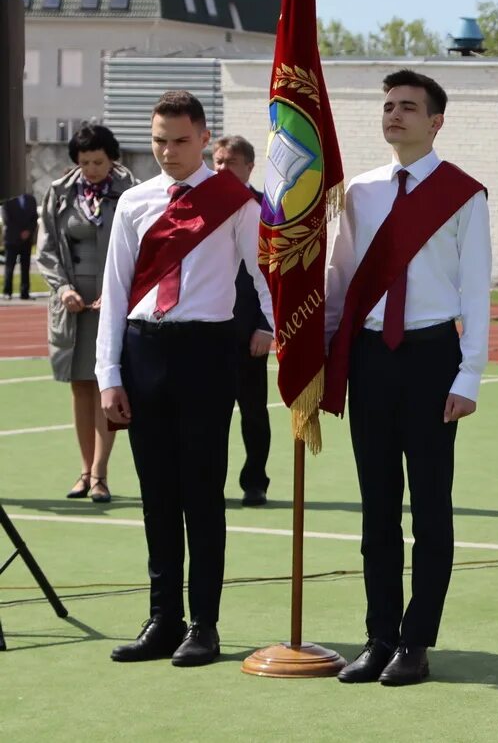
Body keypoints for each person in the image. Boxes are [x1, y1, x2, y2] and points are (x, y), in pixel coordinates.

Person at [323, 70, 490, 686]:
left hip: (429, 360)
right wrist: (324, 351)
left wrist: (469, 373)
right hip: (369, 357)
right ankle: (379, 636)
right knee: (376, 509)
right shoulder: (360, 192)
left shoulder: (463, 194)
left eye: (409, 107)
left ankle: (417, 643)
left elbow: (475, 289)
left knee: (430, 509)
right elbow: (341, 278)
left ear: (436, 121)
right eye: (388, 106)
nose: (394, 115)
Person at [97, 91, 274, 667]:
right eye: (158, 140)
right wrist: (109, 374)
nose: (168, 151)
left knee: (202, 494)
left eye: (179, 140)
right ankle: (162, 620)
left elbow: (263, 270)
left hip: (205, 352)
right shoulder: (135, 203)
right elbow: (117, 292)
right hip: (144, 350)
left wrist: (277, 326)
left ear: (204, 139)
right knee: (156, 496)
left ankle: (204, 624)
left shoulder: (235, 201)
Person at [35, 125, 137, 502]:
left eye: (97, 161)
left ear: (112, 157)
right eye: (83, 162)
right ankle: (83, 469)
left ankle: (101, 474)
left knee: (107, 386)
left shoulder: (132, 192)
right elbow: (45, 249)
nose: (91, 169)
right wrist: (63, 289)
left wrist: (117, 293)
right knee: (81, 387)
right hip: (73, 303)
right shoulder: (59, 194)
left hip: (116, 299)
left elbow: (143, 248)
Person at [212, 135, 273, 507]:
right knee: (208, 415)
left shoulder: (266, 210)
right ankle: (209, 481)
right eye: (217, 161)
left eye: (230, 162)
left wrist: (268, 326)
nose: (221, 168)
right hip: (206, 331)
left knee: (253, 413)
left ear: (249, 166)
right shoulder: (196, 207)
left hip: (249, 329)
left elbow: (274, 273)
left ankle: (255, 482)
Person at [3, 191, 39, 300]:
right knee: (9, 267)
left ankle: (25, 292)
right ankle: (7, 292)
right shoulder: (8, 199)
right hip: (12, 240)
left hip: (26, 241)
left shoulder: (31, 199)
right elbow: (7, 219)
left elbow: (34, 218)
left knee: (25, 267)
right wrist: (20, 233)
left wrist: (28, 231)